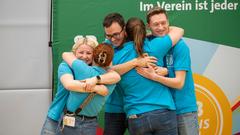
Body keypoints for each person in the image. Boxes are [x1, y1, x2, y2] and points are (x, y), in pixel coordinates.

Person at [112, 17, 183, 135]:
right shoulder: (156, 46)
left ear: (125, 32)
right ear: (145, 31)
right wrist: (150, 34)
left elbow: (106, 72)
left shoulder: (116, 56)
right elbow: (179, 30)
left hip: (136, 116)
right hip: (163, 112)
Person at [136, 7, 199, 135]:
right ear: (149, 26)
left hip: (183, 109)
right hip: (162, 111)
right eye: (156, 24)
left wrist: (156, 76)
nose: (161, 27)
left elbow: (179, 83)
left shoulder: (180, 46)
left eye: (163, 23)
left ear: (168, 23)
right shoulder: (146, 44)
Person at [41, 36, 120, 135]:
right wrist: (97, 88)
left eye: (89, 53)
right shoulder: (65, 66)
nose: (84, 56)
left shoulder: (94, 73)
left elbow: (116, 75)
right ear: (74, 53)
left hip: (78, 120)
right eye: (81, 52)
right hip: (56, 116)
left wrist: (95, 80)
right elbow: (69, 84)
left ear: (94, 55)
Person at [102, 13, 158, 135]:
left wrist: (165, 70)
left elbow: (178, 31)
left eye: (116, 34)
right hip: (115, 108)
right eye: (108, 35)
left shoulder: (141, 43)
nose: (112, 39)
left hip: (137, 108)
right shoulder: (105, 48)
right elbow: (107, 73)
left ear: (125, 30)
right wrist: (135, 62)